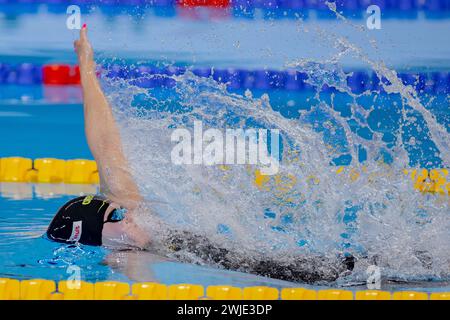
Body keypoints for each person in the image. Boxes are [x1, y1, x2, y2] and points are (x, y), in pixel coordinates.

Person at [46, 25, 354, 284]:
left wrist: (86, 65)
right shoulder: (124, 259)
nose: (127, 211)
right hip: (290, 277)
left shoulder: (133, 220)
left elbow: (105, 142)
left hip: (304, 264)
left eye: (116, 206)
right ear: (98, 239)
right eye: (114, 215)